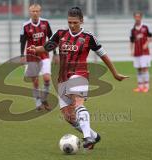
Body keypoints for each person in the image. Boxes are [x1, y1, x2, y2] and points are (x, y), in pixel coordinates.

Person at [28, 7, 128, 149]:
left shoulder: (88, 37)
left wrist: (115, 73)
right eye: (70, 22)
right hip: (62, 78)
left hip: (80, 74)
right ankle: (94, 136)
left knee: (78, 103)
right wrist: (35, 49)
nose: (72, 25)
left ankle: (87, 137)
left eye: (75, 22)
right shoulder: (60, 34)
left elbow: (103, 55)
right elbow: (46, 47)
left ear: (81, 21)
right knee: (68, 116)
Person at [20, 3, 58, 111]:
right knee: (35, 81)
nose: (35, 13)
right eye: (33, 11)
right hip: (31, 55)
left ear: (40, 12)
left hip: (44, 54)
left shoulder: (45, 23)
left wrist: (55, 53)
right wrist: (22, 55)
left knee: (46, 78)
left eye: (37, 11)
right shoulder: (25, 26)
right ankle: (38, 102)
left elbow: (51, 38)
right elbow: (22, 42)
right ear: (30, 12)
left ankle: (44, 98)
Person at [130, 11, 152, 93]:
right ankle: (140, 87)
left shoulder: (146, 27)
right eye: (136, 17)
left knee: (144, 68)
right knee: (138, 69)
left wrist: (146, 44)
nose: (137, 18)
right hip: (137, 52)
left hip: (144, 52)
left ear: (141, 17)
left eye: (138, 17)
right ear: (134, 18)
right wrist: (131, 50)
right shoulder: (133, 30)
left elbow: (150, 37)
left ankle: (146, 86)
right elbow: (132, 41)